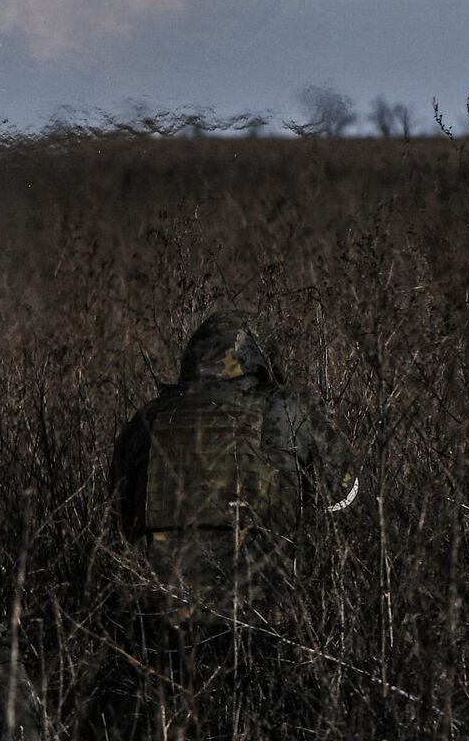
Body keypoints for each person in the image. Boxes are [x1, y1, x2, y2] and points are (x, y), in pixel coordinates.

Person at [92, 310, 359, 737]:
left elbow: (121, 520)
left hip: (161, 619)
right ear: (258, 358)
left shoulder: (146, 420)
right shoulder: (284, 408)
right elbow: (343, 498)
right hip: (261, 614)